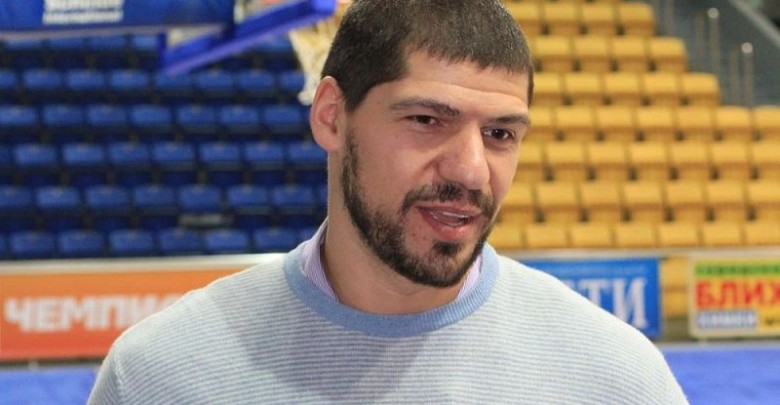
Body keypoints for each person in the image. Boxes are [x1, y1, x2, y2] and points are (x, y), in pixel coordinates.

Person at [89, 0, 688, 403]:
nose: (471, 170)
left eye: (500, 133)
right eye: (427, 120)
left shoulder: (616, 378)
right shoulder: (161, 373)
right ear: (331, 116)